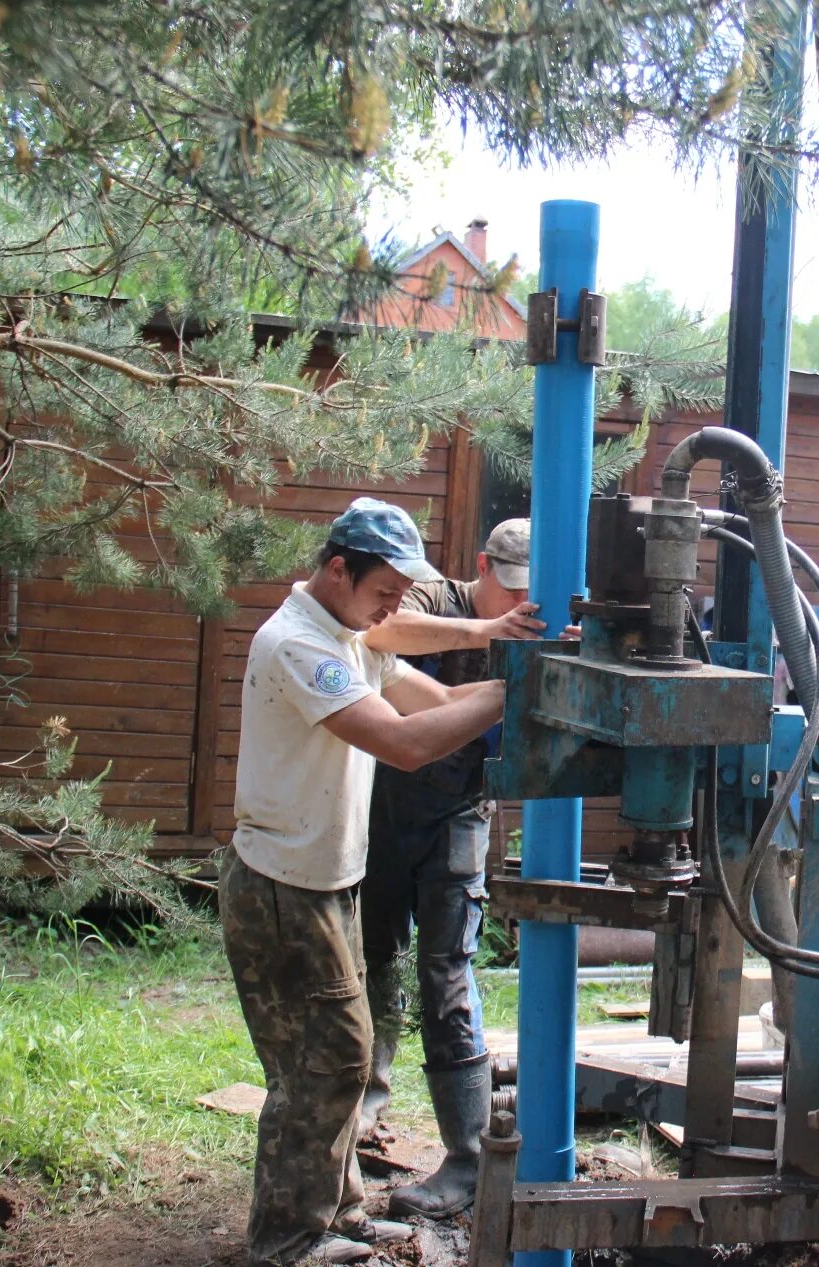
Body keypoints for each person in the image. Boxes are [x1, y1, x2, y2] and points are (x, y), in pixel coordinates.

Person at [220, 497, 507, 1267]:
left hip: (327, 879)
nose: (393, 607)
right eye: (385, 589)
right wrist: (514, 693)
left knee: (338, 1057)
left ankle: (336, 1207)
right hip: (284, 887)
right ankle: (286, 1238)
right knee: (325, 1061)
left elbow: (443, 700)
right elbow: (407, 743)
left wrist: (514, 675)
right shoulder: (297, 646)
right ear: (339, 569)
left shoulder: (348, 637)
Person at [354, 518, 545, 1219]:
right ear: (480, 566)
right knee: (373, 955)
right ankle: (364, 1112)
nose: (514, 600)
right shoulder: (436, 596)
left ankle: (467, 1157)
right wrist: (481, 633)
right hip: (384, 802)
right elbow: (381, 632)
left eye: (526, 590)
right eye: (507, 585)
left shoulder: (535, 619)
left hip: (461, 807)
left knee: (446, 969)